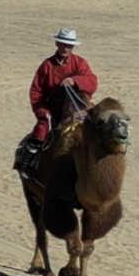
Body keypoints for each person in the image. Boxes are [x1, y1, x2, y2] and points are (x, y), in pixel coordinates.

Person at [18, 28, 98, 180]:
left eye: (69, 45)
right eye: (63, 44)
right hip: (53, 109)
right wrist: (42, 111)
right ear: (57, 43)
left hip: (77, 106)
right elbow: (36, 91)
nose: (65, 48)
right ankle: (27, 164)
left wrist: (75, 81)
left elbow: (92, 82)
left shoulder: (80, 63)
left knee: (97, 126)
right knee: (42, 128)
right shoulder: (47, 65)